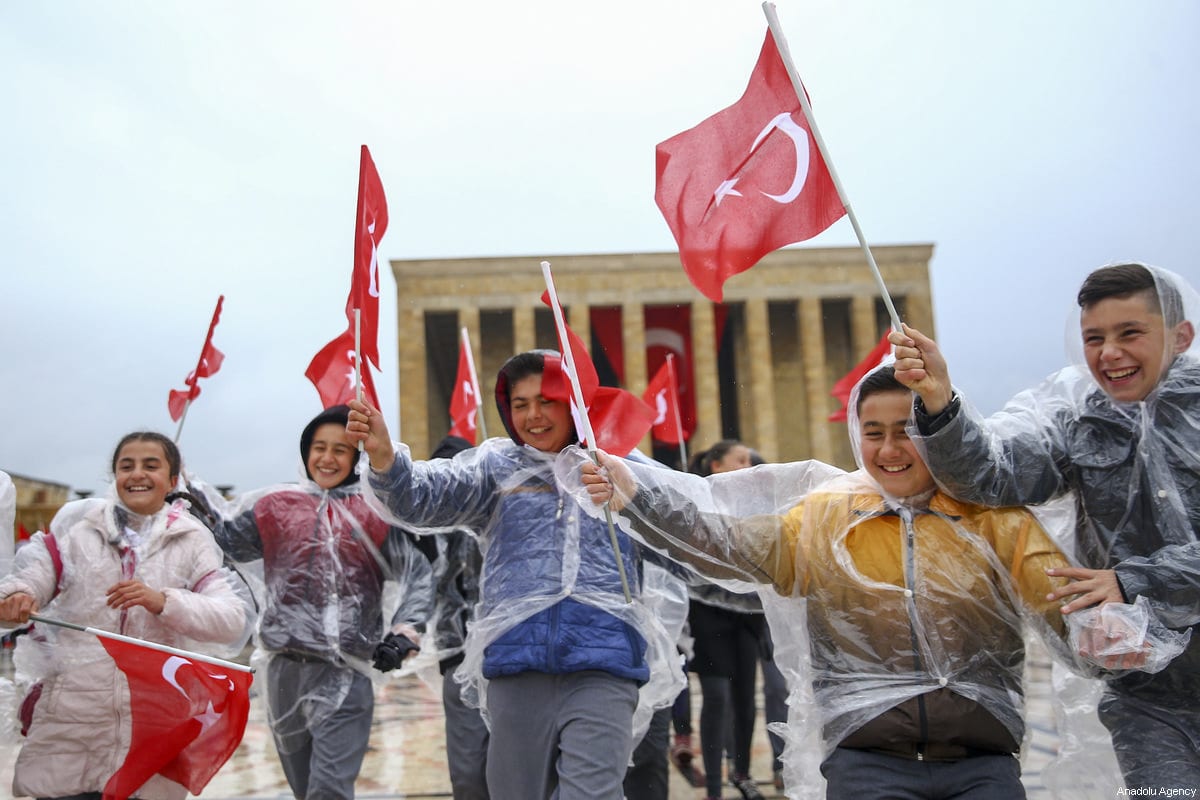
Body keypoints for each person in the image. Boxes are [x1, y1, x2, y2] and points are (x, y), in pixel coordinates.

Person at [573, 366, 1148, 798]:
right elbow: (726, 545)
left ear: (938, 430)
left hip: (984, 762)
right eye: (873, 432)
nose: (890, 449)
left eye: (908, 430)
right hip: (867, 762)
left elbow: (1063, 600)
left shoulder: (994, 517)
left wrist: (1111, 632)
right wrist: (638, 497)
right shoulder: (824, 517)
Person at [889, 262, 1200, 792]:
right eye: (1094, 338)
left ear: (1180, 336)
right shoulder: (1080, 421)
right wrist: (940, 401)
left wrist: (1135, 581)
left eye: (1130, 334)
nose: (1109, 354)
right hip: (1150, 699)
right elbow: (990, 475)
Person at [347, 349, 680, 800]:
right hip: (517, 662)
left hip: (603, 661)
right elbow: (419, 500)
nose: (533, 415)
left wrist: (635, 497)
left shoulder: (619, 464)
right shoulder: (496, 468)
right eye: (520, 404)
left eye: (547, 400)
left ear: (575, 403)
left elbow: (689, 525)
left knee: (593, 794)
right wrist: (386, 458)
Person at [0, 432, 249, 800]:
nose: (137, 475)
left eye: (152, 466)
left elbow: (230, 619)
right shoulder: (77, 532)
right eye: (126, 466)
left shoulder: (192, 540)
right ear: (113, 476)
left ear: (173, 480)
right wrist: (18, 597)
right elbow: (32, 578)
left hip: (153, 731)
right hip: (73, 724)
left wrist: (163, 601)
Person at [209, 405, 433, 800]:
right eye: (318, 447)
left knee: (329, 789)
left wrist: (405, 630)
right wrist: (189, 502)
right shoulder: (274, 507)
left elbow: (417, 574)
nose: (327, 458)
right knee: (303, 788)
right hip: (284, 673)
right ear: (305, 451)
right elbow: (220, 542)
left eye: (340, 450)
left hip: (347, 672)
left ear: (355, 458)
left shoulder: (375, 512)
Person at [684, 440, 768, 800]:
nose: (749, 465)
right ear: (717, 465)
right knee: (717, 696)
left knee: (745, 697)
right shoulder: (697, 500)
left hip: (748, 613)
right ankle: (715, 787)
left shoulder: (756, 502)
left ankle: (743, 773)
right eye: (741, 460)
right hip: (708, 613)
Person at [425, 434, 491, 800]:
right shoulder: (427, 525)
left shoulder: (498, 512)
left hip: (511, 653)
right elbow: (417, 583)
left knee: (516, 763)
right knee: (468, 769)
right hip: (457, 656)